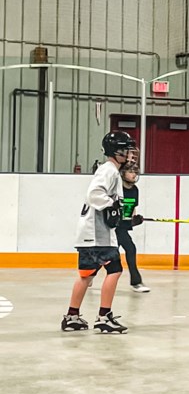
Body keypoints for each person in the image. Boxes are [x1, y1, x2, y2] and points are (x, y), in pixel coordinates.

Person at [61, 130, 138, 334]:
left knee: (86, 275)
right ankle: (104, 317)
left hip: (89, 234)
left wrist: (125, 216)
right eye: (126, 149)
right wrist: (113, 204)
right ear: (116, 151)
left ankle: (72, 317)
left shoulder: (109, 170)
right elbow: (94, 194)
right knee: (115, 270)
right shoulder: (110, 170)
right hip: (98, 236)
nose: (129, 154)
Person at [117, 162, 150, 293]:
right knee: (115, 253)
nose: (134, 174)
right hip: (112, 227)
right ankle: (136, 282)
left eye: (135, 172)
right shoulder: (117, 188)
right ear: (123, 173)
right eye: (130, 171)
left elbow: (130, 211)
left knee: (127, 250)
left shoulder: (135, 190)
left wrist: (134, 220)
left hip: (122, 228)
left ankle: (136, 281)